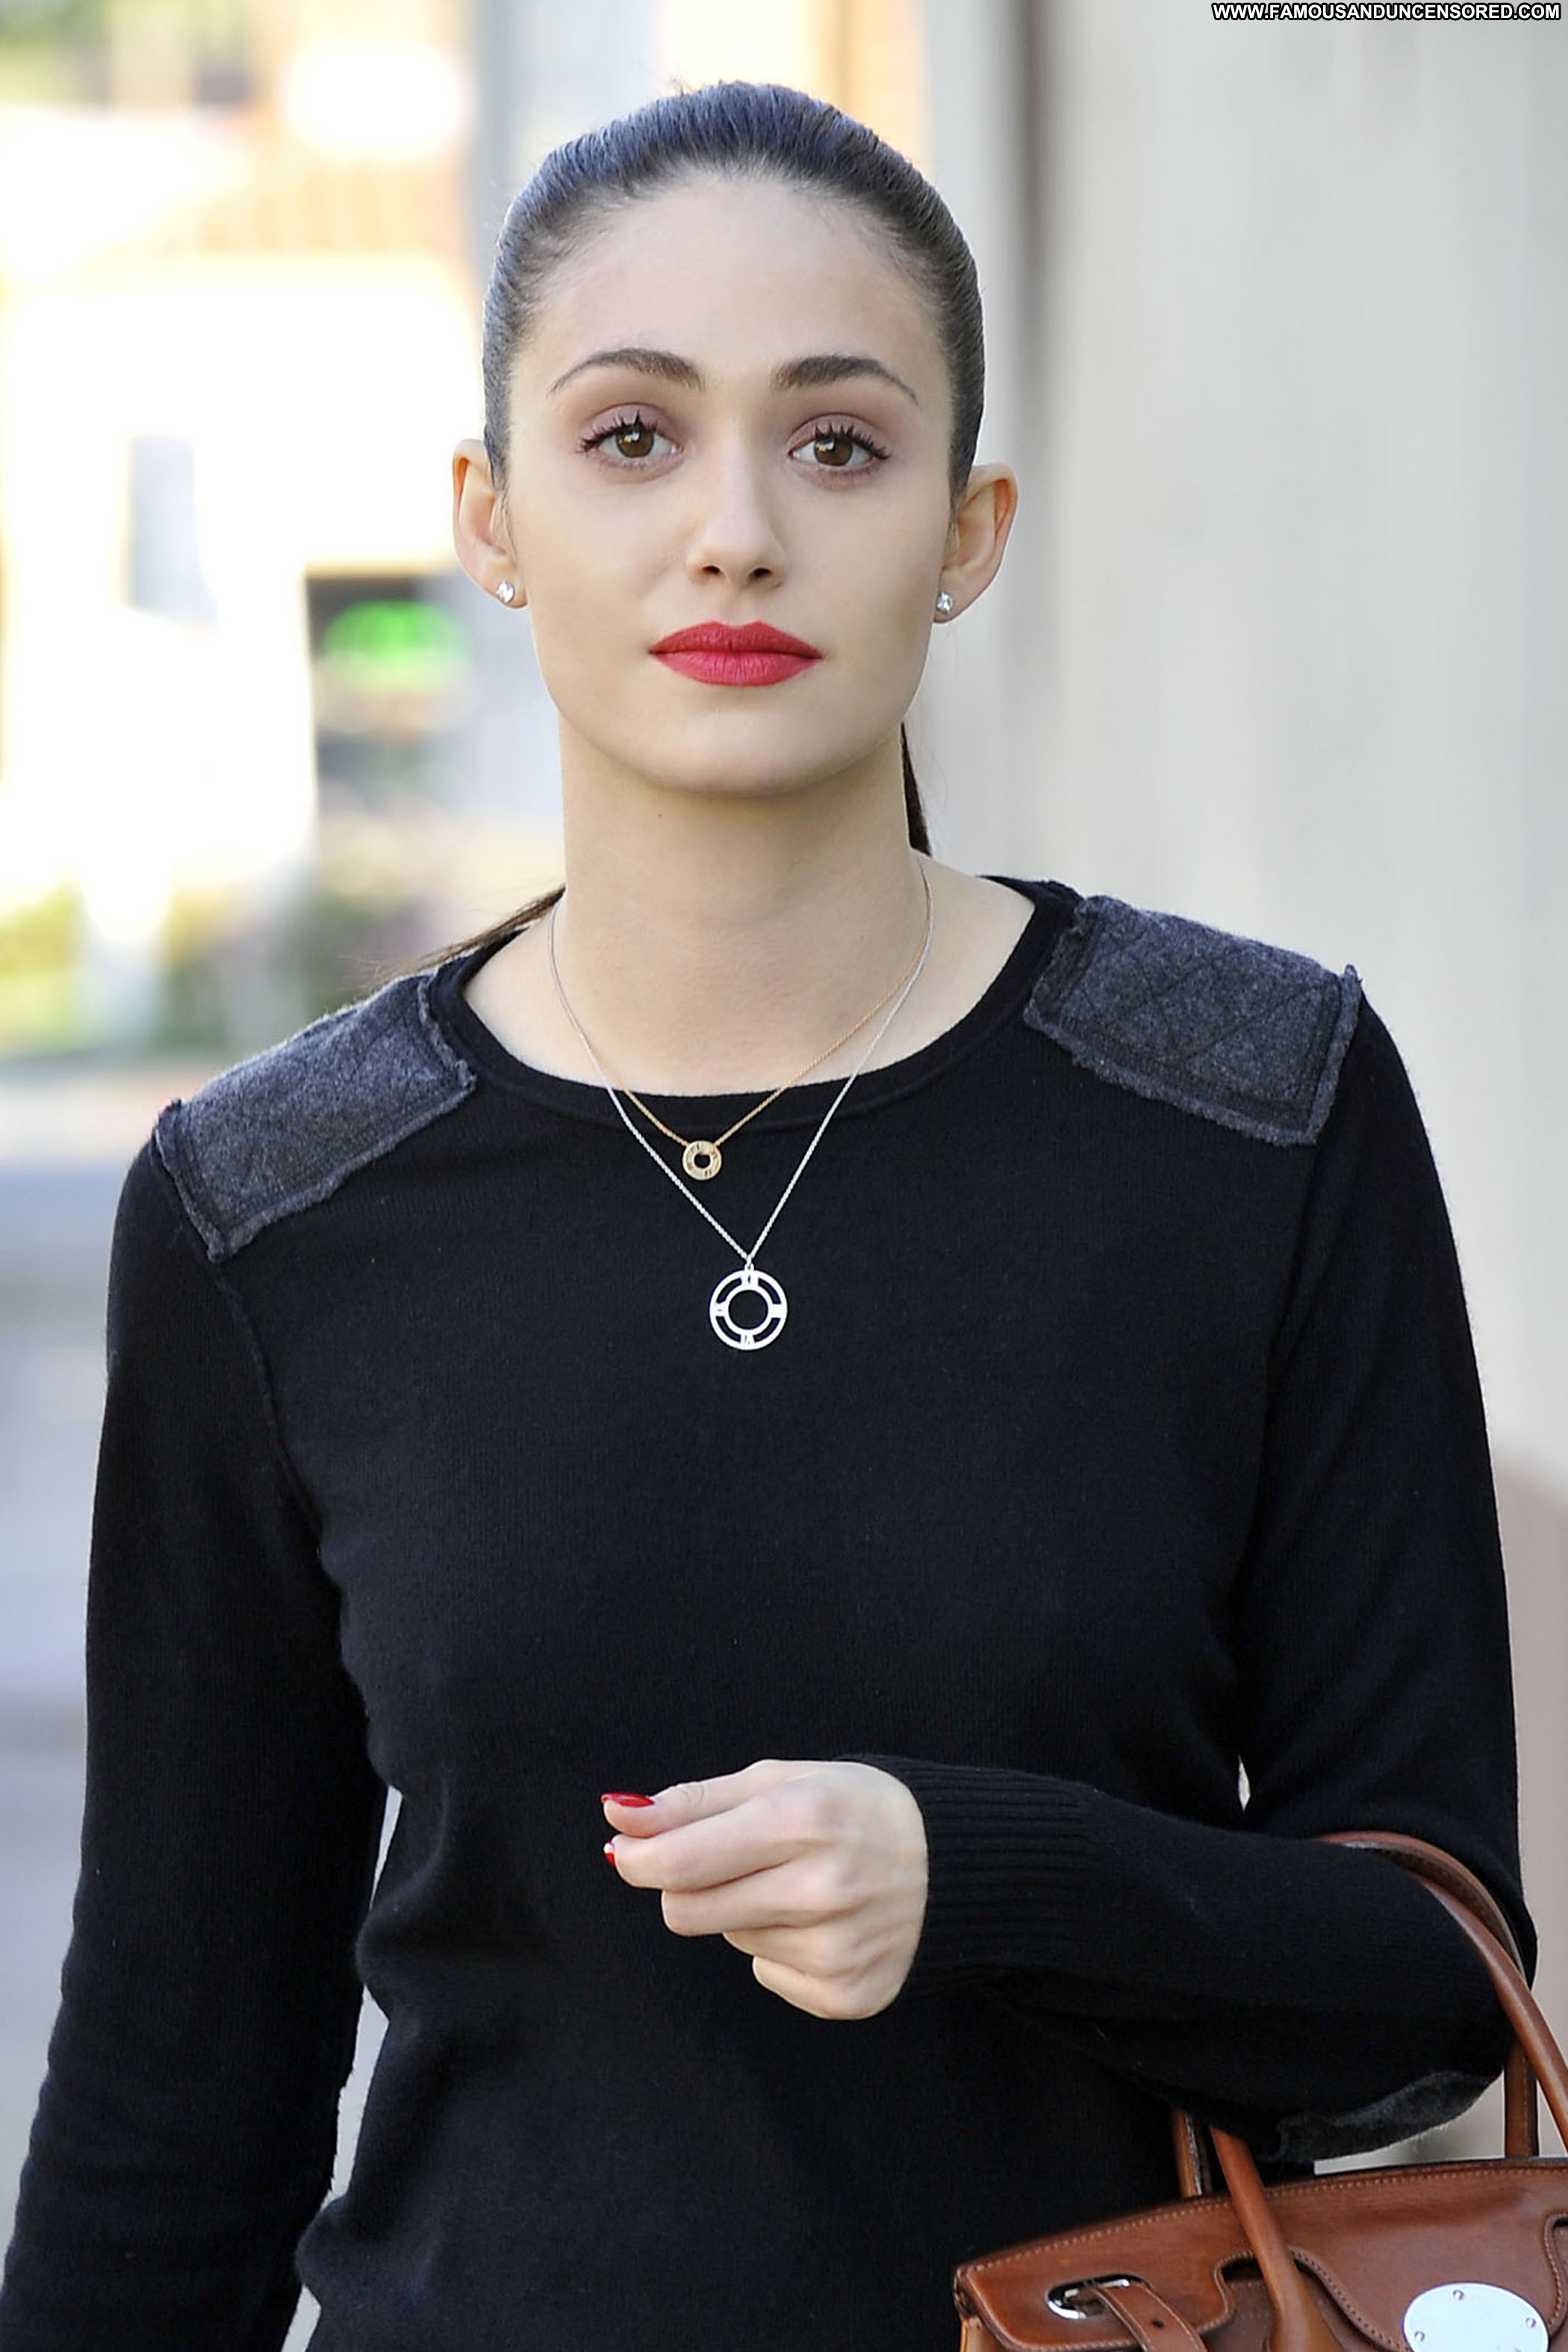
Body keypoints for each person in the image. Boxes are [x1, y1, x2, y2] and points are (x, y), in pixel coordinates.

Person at [0, 79, 1532, 2352]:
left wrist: (978, 1873)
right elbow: (175, 2083)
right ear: (491, 517)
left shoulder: (1256, 1105)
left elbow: (1422, 1994)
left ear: (967, 527)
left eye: (836, 444)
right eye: (631, 437)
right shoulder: (274, 1205)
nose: (733, 533)